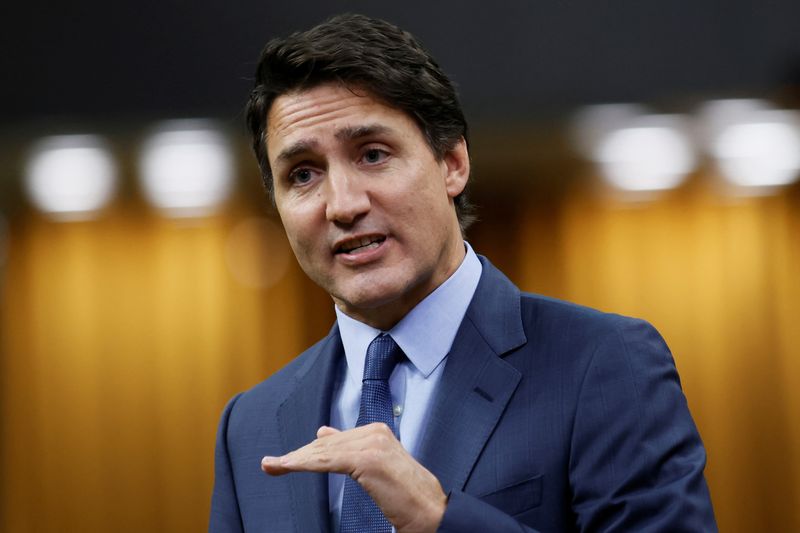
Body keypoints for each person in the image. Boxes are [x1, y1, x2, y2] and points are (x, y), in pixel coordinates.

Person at [210, 13, 717, 533]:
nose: (342, 204)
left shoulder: (604, 365)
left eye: (373, 154)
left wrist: (441, 520)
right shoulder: (250, 426)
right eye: (303, 174)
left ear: (452, 163)